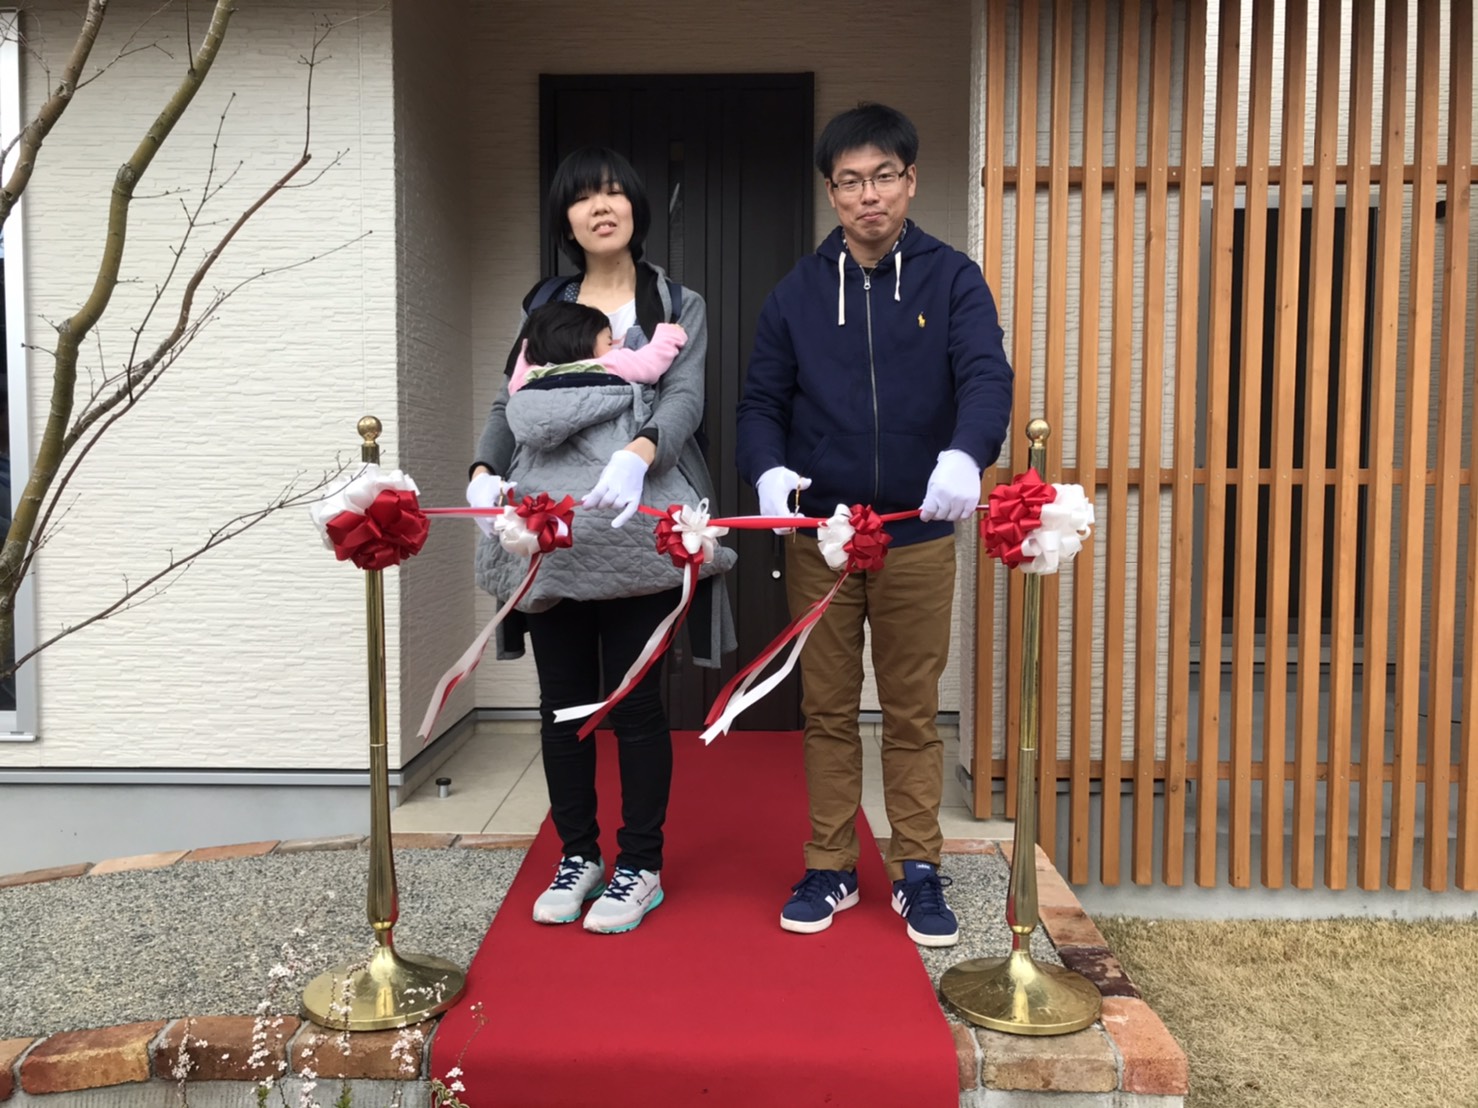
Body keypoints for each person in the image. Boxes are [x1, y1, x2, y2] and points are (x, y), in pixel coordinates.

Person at [735, 103, 1013, 948]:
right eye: (851, 181)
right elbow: (759, 403)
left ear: (910, 180)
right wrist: (767, 468)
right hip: (820, 538)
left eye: (884, 177)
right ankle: (830, 864)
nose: (869, 195)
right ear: (831, 192)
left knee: (912, 710)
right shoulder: (797, 293)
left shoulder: (952, 279)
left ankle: (917, 866)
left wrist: (966, 454)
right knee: (826, 709)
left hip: (916, 537)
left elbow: (986, 377)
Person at [470, 147, 735, 935]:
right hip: (550, 531)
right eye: (585, 196)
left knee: (635, 704)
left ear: (636, 209)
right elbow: (507, 399)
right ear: (566, 217)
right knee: (562, 705)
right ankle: (578, 853)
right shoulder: (545, 302)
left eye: (616, 193)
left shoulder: (676, 303)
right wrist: (483, 469)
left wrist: (640, 451)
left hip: (635, 527)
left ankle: (640, 864)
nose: (602, 206)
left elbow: (685, 395)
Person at [507, 300, 686, 394]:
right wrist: (669, 335)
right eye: (609, 342)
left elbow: (514, 384)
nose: (614, 348)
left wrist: (527, 347)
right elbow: (649, 364)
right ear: (582, 339)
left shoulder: (530, 377)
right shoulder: (607, 365)